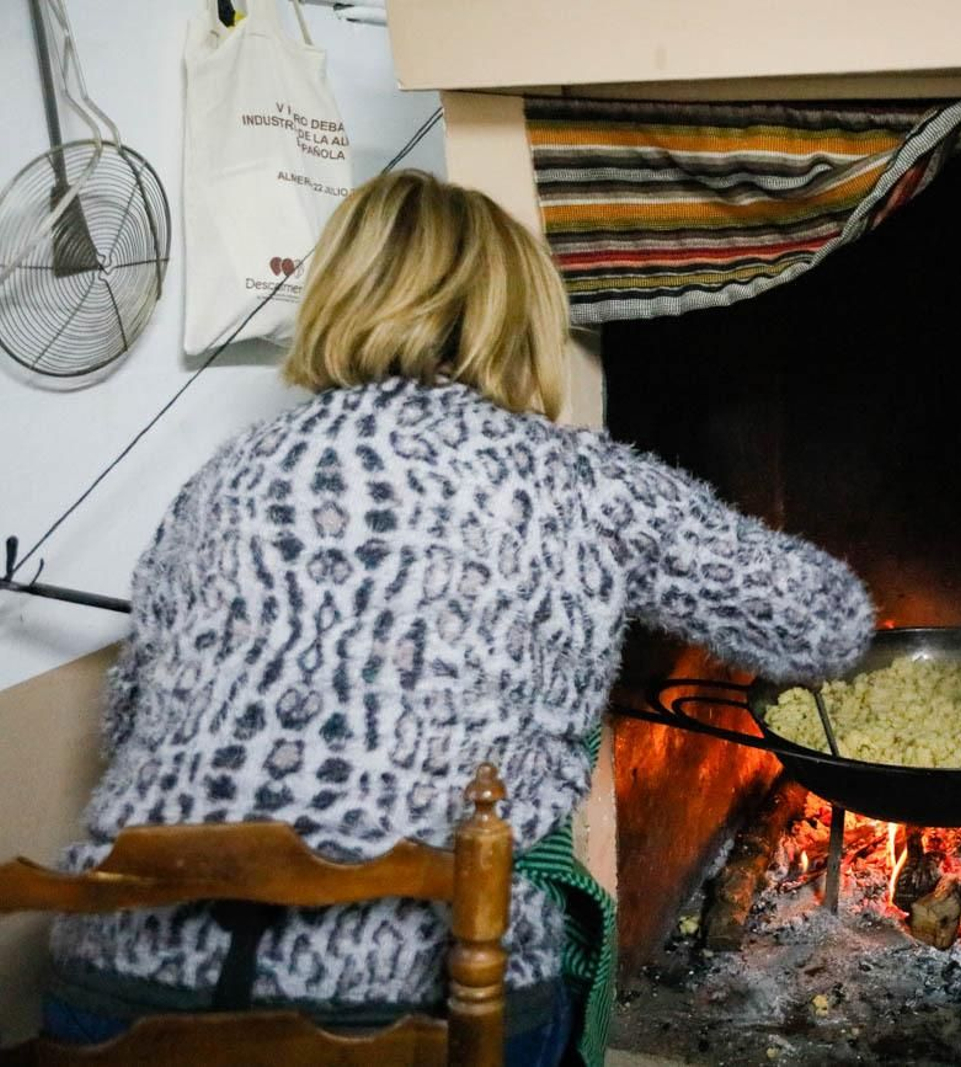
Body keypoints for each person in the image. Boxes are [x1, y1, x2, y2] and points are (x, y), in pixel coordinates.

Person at [42, 170, 877, 1064]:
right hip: (411, 1009)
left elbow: (127, 720)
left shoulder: (222, 478)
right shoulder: (576, 482)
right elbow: (824, 625)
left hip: (116, 986)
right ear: (515, 315)